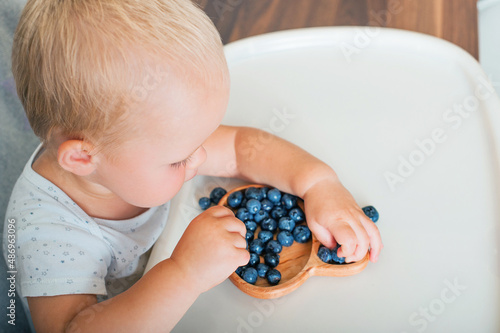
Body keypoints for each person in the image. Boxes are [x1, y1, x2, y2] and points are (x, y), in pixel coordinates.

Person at [3, 0, 383, 331]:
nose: (200, 157)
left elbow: (239, 146)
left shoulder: (133, 147)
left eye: (201, 140)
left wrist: (319, 185)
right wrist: (184, 274)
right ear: (84, 159)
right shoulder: (49, 237)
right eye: (180, 158)